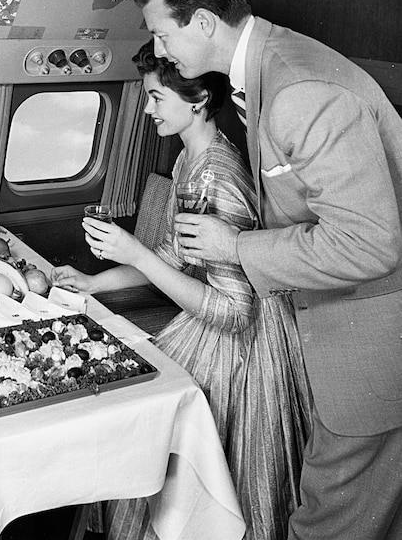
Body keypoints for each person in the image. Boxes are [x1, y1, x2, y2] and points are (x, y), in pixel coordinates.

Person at [132, 0, 402, 540]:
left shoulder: (297, 90)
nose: (158, 53)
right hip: (327, 321)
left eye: (161, 34)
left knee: (328, 521)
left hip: (368, 339)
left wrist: (236, 244)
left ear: (204, 22)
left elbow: (371, 243)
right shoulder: (268, 67)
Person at [52, 41, 312, 540]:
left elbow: (235, 312)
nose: (148, 109)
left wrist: (135, 253)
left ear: (196, 103)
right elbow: (174, 258)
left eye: (155, 98)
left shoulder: (218, 176)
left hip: (243, 349)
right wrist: (94, 282)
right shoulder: (188, 160)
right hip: (212, 320)